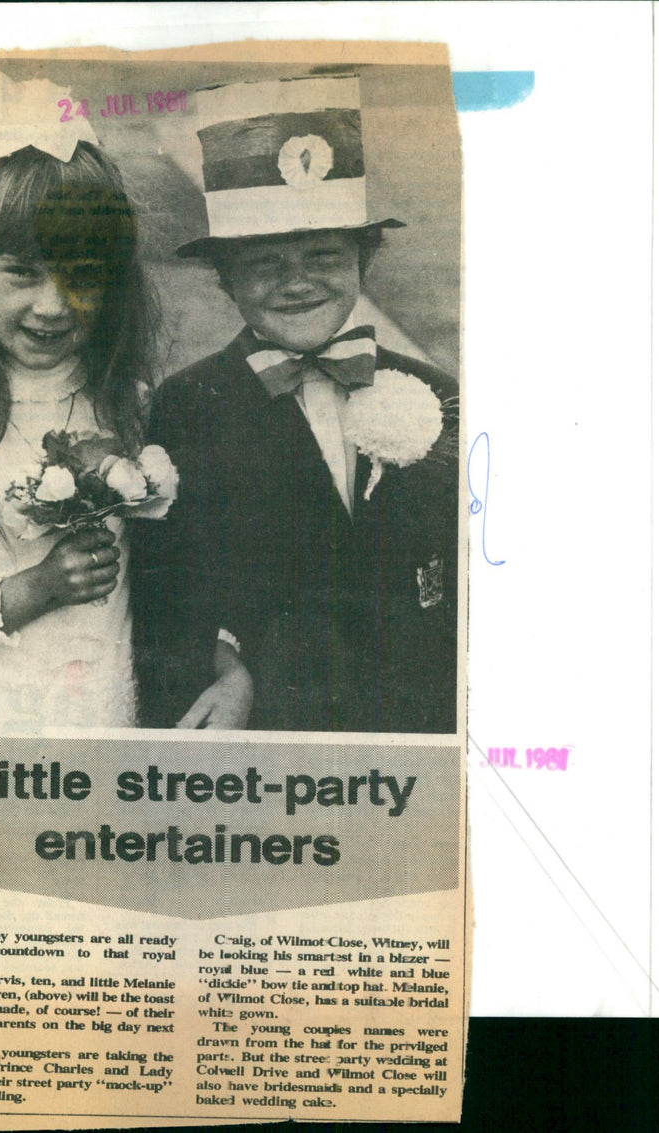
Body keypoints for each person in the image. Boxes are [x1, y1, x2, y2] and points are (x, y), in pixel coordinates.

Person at [134, 74, 459, 733]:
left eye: (323, 254)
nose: (298, 281)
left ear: (363, 261)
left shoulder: (435, 391)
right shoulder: (190, 404)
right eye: (265, 263)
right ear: (226, 278)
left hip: (416, 718)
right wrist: (223, 666)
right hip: (276, 724)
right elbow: (168, 588)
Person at [0, 132, 158, 730]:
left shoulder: (127, 402)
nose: (52, 306)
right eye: (22, 273)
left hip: (104, 713)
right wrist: (34, 590)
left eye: (81, 276)